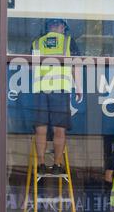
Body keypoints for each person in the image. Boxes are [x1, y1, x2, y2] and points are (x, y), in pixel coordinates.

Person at [31, 18, 82, 175]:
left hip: (40, 89)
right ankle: (58, 164)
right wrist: (78, 87)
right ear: (61, 26)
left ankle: (40, 164)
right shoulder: (68, 41)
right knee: (59, 129)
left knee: (41, 129)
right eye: (62, 27)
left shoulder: (37, 42)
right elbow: (76, 65)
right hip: (60, 89)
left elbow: (31, 67)